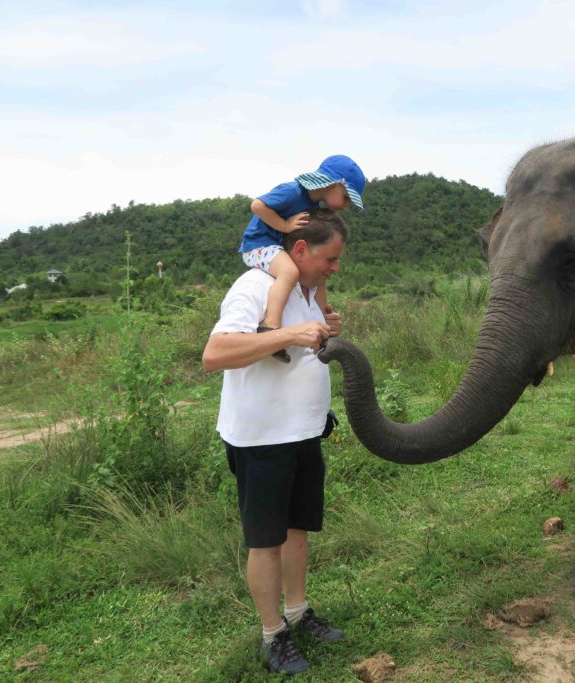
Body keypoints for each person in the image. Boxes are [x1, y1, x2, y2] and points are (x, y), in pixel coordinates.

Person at [203, 209, 349, 675]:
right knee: (266, 540)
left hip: (304, 434)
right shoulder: (255, 287)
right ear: (300, 249)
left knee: (296, 530)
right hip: (262, 441)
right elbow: (215, 354)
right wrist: (287, 333)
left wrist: (323, 329)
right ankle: (272, 637)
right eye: (330, 258)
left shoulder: (305, 293)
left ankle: (298, 613)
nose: (335, 268)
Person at [240, 154, 366, 363]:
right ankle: (270, 327)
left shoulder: (313, 204)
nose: (345, 205)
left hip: (276, 245)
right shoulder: (293, 191)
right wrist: (285, 226)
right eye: (346, 197)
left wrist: (325, 319)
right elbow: (257, 206)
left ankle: (322, 320)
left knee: (318, 276)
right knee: (289, 272)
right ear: (334, 184)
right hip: (259, 244)